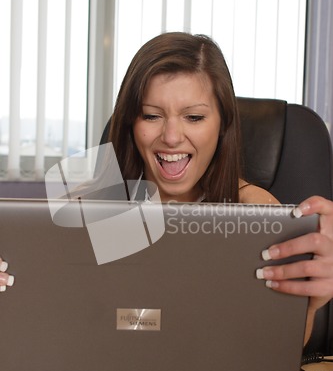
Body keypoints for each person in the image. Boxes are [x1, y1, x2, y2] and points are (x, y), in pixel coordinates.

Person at [1, 32, 333, 344]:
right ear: (131, 123)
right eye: (151, 115)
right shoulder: (83, 208)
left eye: (194, 117)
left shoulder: (259, 211)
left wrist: (310, 305)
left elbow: (273, 353)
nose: (172, 137)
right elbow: (50, 334)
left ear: (223, 125)